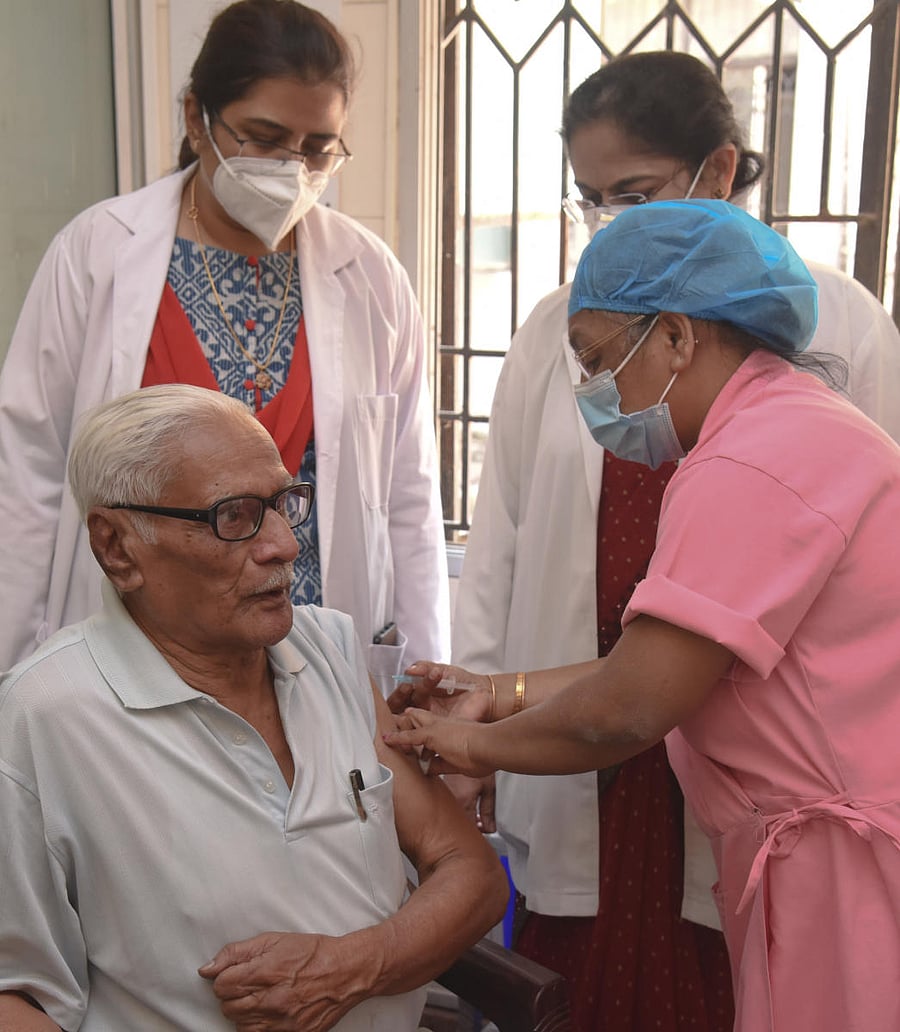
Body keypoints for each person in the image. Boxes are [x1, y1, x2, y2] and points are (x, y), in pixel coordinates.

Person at [449, 50, 900, 1031]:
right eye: (592, 196)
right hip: (600, 720)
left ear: (722, 168)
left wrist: (479, 723)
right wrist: (484, 703)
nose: (612, 216)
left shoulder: (826, 346)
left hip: (757, 747)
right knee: (585, 961)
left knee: (738, 969)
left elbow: (658, 684)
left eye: (637, 191)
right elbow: (505, 538)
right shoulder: (565, 325)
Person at [0, 384, 507, 1032]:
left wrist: (353, 968)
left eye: (284, 504)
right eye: (234, 517)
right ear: (118, 548)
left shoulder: (328, 651)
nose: (283, 545)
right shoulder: (44, 716)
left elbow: (472, 872)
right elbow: (16, 996)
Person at [0, 0, 449, 683]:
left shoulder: (371, 276)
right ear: (195, 117)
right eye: (264, 138)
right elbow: (26, 474)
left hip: (318, 642)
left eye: (318, 148)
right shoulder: (97, 253)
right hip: (146, 649)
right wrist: (15, 666)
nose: (292, 168)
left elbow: (408, 495)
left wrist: (424, 670)